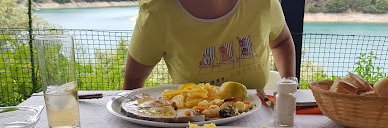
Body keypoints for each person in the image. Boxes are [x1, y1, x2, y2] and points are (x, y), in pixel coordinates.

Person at [123, 0, 296, 90]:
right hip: (191, 125)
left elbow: (281, 41)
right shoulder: (158, 13)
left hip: (256, 118)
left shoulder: (263, 3)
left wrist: (289, 86)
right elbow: (133, 80)